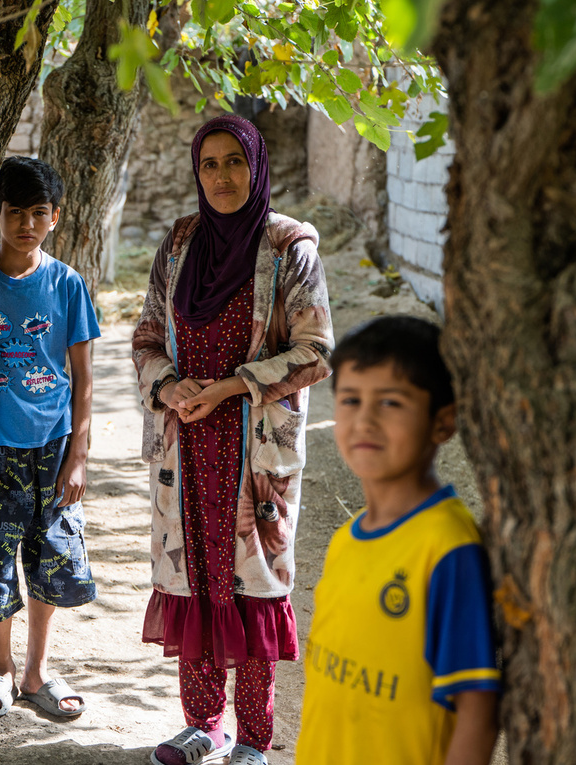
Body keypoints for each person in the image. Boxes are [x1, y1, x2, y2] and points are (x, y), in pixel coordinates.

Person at [132, 114, 334, 765]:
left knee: (253, 586)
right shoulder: (180, 243)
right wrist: (170, 388)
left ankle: (252, 737)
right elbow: (143, 338)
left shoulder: (288, 248)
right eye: (209, 164)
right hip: (187, 445)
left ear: (258, 165)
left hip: (256, 450)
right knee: (195, 578)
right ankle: (202, 724)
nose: (221, 176)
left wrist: (229, 387)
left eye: (234, 162)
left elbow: (316, 351)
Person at [295, 316, 501, 764]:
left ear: (443, 422)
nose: (364, 420)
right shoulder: (346, 541)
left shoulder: (448, 548)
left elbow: (478, 710)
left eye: (390, 402)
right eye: (350, 400)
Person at [0, 156, 100, 719]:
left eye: (37, 213)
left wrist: (78, 457)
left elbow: (85, 378)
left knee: (51, 559)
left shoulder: (66, 283)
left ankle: (36, 672)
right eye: (14, 212)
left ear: (55, 218)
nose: (26, 223)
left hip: (54, 447)